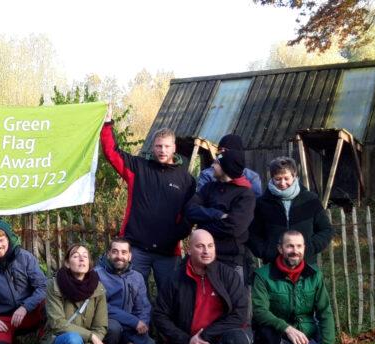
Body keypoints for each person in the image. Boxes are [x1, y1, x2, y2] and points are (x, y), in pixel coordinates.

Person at [100, 106, 196, 296]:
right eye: (159, 146)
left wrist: (177, 234)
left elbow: (190, 214)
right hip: (136, 249)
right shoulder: (138, 167)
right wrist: (107, 124)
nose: (162, 150)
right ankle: (136, 326)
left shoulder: (186, 180)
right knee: (131, 296)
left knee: (170, 297)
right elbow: (112, 153)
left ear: (174, 148)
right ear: (153, 147)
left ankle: (164, 327)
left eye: (167, 146)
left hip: (168, 253)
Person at [153, 230, 250, 344]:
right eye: (200, 246)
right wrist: (188, 341)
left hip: (220, 343)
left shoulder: (228, 275)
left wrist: (206, 335)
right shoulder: (175, 278)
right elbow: (159, 315)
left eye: (210, 246)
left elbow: (241, 313)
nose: (206, 251)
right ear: (189, 250)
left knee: (240, 340)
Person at [252, 230, 340, 344]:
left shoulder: (314, 275)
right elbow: (259, 311)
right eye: (290, 246)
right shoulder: (263, 276)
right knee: (265, 331)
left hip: (303, 339)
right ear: (280, 248)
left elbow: (325, 312)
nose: (295, 250)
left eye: (299, 246)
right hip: (276, 337)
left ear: (304, 248)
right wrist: (286, 328)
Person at [40, 244, 108, 344]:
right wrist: (91, 337)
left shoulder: (99, 288)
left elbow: (101, 327)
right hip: (58, 341)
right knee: (73, 339)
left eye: (85, 255)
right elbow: (57, 323)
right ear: (67, 263)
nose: (81, 258)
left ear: (90, 263)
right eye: (76, 255)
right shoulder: (54, 285)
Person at [248, 156, 333, 266]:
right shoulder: (262, 204)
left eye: (286, 178)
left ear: (294, 176)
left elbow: (326, 229)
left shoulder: (310, 200)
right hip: (273, 268)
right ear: (272, 178)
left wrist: (309, 247)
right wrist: (266, 252)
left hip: (305, 266)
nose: (282, 183)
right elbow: (252, 234)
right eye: (278, 179)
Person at [185, 148, 256, 275]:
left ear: (226, 167)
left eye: (217, 163)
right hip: (203, 259)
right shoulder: (208, 188)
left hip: (230, 260)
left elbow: (234, 228)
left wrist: (202, 227)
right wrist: (217, 214)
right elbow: (190, 210)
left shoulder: (245, 194)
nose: (212, 165)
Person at [94, 238, 154, 344]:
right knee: (113, 328)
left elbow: (144, 307)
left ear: (130, 256)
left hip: (130, 329)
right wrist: (134, 321)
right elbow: (102, 306)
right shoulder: (97, 275)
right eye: (115, 252)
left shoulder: (137, 277)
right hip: (107, 325)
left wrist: (140, 336)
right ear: (108, 254)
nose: (119, 256)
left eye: (123, 252)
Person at [197, 134, 262, 198]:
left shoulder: (252, 177)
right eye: (218, 152)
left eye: (224, 151)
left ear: (236, 154)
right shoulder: (207, 174)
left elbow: (255, 204)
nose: (219, 156)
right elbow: (200, 201)